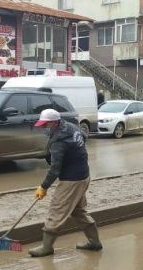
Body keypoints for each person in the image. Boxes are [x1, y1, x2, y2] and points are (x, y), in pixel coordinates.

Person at [29, 109, 101, 257]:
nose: (43, 128)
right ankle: (94, 242)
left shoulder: (58, 141)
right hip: (83, 175)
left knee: (57, 209)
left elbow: (55, 169)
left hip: (72, 180)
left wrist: (43, 187)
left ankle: (46, 247)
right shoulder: (71, 127)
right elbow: (84, 137)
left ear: (54, 122)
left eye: (45, 125)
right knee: (77, 211)